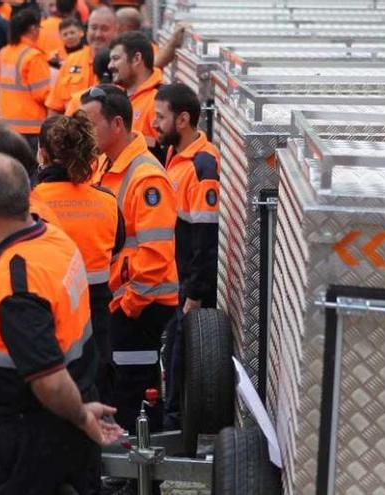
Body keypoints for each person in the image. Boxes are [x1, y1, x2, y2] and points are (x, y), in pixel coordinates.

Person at [0, 152, 124, 495]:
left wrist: (81, 415)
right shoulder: (48, 239)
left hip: (23, 440)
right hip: (50, 426)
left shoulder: (18, 286)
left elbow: (50, 382)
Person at [81, 85, 179, 434]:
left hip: (139, 307)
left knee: (134, 394)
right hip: (120, 302)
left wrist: (128, 304)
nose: (84, 133)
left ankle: (136, 477)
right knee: (118, 388)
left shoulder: (145, 177)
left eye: (90, 125)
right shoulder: (108, 165)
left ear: (117, 124)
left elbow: (155, 256)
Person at [31, 113, 125, 406]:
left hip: (44, 317)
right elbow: (117, 248)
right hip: (95, 319)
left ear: (43, 153)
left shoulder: (30, 202)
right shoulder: (107, 201)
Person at [152, 83, 220, 430]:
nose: (153, 124)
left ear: (182, 119)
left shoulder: (202, 166)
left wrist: (194, 293)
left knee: (179, 359)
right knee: (171, 356)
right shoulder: (175, 157)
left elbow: (206, 237)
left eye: (159, 117)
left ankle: (174, 430)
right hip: (174, 280)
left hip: (188, 288)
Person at [0, 8, 51, 152]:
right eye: (39, 27)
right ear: (33, 28)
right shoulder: (33, 57)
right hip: (31, 127)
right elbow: (43, 94)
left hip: (6, 123)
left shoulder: (3, 52)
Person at [45, 6, 117, 115]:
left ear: (117, 31)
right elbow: (54, 108)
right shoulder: (71, 60)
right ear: (87, 29)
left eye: (104, 29)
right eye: (93, 28)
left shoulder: (121, 64)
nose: (98, 34)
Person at [108, 31, 163, 152]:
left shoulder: (158, 100)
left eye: (115, 59)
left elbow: (164, 150)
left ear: (136, 59)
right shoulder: (117, 97)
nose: (110, 66)